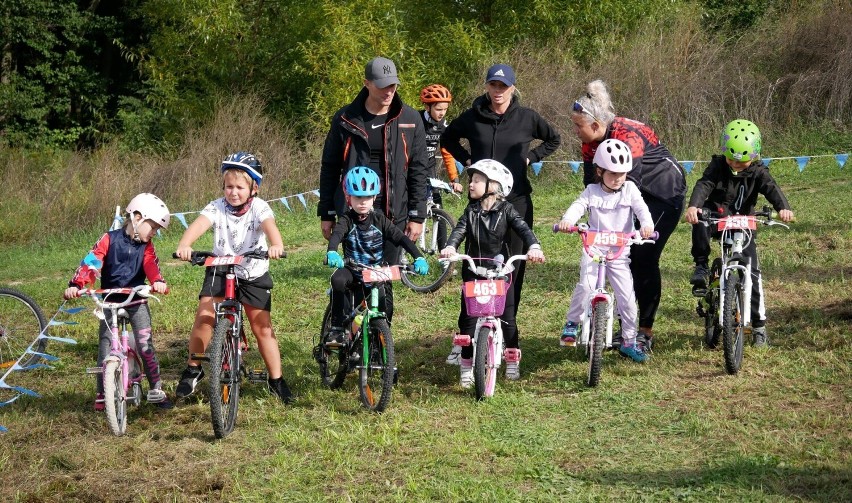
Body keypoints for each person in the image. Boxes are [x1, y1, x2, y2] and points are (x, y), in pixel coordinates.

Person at [441, 63, 560, 363]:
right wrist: (467, 159)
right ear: (487, 87)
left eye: (503, 87)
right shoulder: (473, 118)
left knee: (511, 270)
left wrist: (531, 157)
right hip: (480, 206)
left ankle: (505, 332)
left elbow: (554, 139)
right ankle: (466, 338)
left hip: (516, 201)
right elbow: (448, 138)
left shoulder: (527, 118)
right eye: (493, 86)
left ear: (513, 88)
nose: (498, 92)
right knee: (474, 269)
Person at [569, 79, 686, 351]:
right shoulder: (591, 142)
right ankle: (610, 323)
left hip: (663, 194)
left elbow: (624, 186)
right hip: (633, 192)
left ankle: (643, 331)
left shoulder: (627, 135)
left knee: (642, 258)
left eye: (578, 126)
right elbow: (594, 187)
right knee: (612, 254)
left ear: (596, 125)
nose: (575, 131)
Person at [174, 152, 293, 403]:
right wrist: (185, 243)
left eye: (240, 187)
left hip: (253, 272)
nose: (233, 192)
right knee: (205, 317)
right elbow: (199, 224)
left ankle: (276, 380)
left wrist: (276, 244)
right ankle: (193, 368)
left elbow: (270, 227)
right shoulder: (216, 207)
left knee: (262, 327)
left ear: (254, 188)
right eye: (229, 186)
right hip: (220, 269)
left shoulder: (260, 207)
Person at [319, 56, 429, 322]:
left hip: (393, 211)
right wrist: (327, 212)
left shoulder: (411, 118)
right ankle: (351, 336)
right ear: (366, 83)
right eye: (382, 85)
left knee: (384, 281)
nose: (389, 91)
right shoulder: (345, 118)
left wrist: (417, 215)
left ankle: (381, 339)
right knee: (356, 279)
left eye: (393, 85)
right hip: (354, 211)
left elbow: (418, 170)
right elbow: (330, 167)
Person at [685, 119, 794, 346]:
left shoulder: (759, 172)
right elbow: (704, 184)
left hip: (745, 224)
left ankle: (759, 327)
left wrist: (783, 207)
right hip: (718, 218)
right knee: (701, 221)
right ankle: (702, 265)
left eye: (742, 161)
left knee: (752, 274)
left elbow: (772, 189)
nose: (735, 164)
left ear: (754, 156)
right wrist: (694, 205)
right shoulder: (717, 166)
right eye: (731, 159)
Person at [440, 159, 545, 386]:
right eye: (471, 179)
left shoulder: (507, 210)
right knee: (468, 321)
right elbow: (459, 230)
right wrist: (451, 246)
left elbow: (523, 229)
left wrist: (534, 246)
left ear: (494, 186)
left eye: (477, 180)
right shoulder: (470, 211)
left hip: (500, 271)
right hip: (474, 270)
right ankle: (467, 364)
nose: (471, 184)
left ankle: (512, 357)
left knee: (507, 317)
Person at [64, 193, 172, 410]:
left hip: (136, 299)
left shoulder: (146, 247)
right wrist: (77, 284)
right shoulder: (109, 239)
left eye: (157, 230)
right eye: (152, 227)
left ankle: (156, 388)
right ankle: (102, 394)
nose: (154, 233)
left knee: (144, 344)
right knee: (105, 346)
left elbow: (151, 265)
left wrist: (157, 281)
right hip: (110, 301)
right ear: (137, 218)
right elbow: (92, 262)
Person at [556, 140, 655, 362]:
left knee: (627, 298)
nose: (618, 178)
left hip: (620, 251)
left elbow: (641, 209)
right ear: (599, 171)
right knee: (586, 285)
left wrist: (647, 226)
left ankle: (629, 341)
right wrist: (567, 220)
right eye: (613, 174)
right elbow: (578, 206)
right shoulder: (591, 191)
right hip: (594, 248)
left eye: (622, 174)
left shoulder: (629, 190)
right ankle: (573, 322)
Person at [324, 167, 429, 344]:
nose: (362, 202)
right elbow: (336, 235)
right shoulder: (347, 219)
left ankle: (381, 346)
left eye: (367, 197)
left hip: (375, 273)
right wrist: (332, 251)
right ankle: (336, 328)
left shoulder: (380, 220)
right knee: (337, 280)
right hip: (353, 270)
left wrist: (418, 256)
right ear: (348, 198)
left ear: (374, 197)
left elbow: (401, 238)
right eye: (357, 197)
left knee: (384, 308)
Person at [418, 84, 463, 196]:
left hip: (429, 166)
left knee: (436, 198)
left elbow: (447, 153)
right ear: (427, 107)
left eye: (445, 109)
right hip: (412, 165)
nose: (442, 113)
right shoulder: (416, 120)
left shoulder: (443, 126)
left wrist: (454, 179)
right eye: (438, 109)